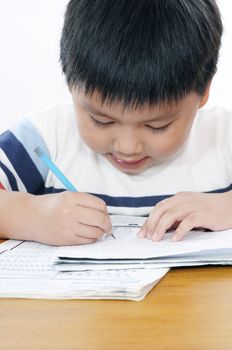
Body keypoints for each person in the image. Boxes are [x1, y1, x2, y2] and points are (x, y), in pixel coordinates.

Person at [0, 0, 231, 246]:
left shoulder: (223, 137)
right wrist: (33, 217)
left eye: (156, 126)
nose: (128, 147)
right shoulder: (46, 137)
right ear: (71, 85)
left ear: (204, 91)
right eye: (101, 121)